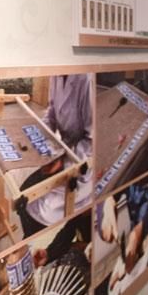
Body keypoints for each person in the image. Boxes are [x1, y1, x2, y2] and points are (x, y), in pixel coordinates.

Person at [17, 74, 93, 237]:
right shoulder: (57, 75)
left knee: (40, 209)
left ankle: (39, 241)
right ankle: (30, 239)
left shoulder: (86, 80)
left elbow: (92, 141)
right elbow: (51, 112)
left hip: (81, 164)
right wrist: (38, 135)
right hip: (62, 153)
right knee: (23, 194)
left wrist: (64, 161)